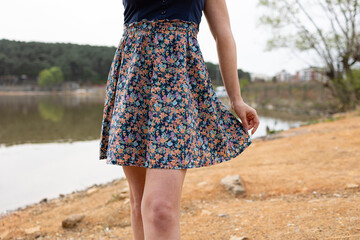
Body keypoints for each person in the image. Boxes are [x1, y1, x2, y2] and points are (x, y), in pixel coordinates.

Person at [99, 0, 260, 239]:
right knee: (139, 200)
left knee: (160, 209)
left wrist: (236, 99)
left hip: (178, 81)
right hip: (134, 81)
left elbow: (224, 35)